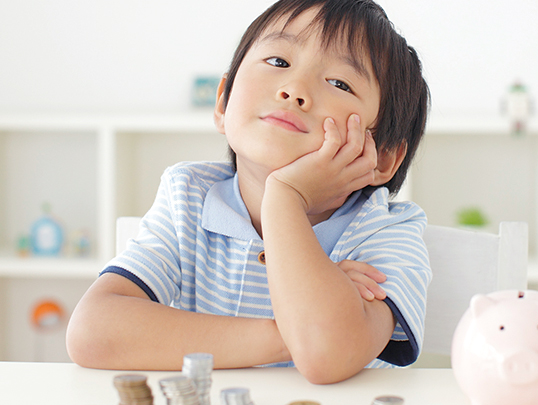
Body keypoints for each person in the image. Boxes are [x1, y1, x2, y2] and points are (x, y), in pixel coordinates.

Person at [67, 0, 431, 384]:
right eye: (278, 62)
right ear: (223, 100)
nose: (294, 90)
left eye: (340, 83)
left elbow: (326, 355)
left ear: (384, 157)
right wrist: (290, 330)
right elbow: (92, 333)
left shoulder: (385, 231)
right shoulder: (188, 197)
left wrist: (285, 196)